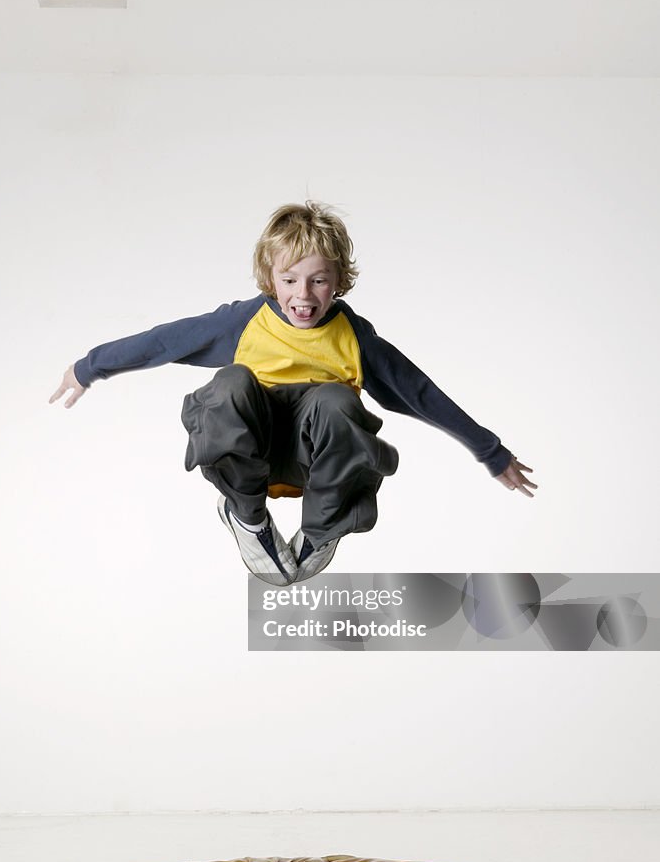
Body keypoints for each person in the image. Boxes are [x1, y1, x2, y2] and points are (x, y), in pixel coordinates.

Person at [50, 201, 536, 586]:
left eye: (318, 280)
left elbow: (419, 392)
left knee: (335, 399)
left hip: (316, 465)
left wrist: (489, 451)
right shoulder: (245, 321)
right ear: (270, 280)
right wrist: (91, 365)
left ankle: (320, 531)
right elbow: (167, 339)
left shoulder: (354, 336)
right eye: (289, 280)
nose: (303, 295)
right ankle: (247, 518)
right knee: (232, 383)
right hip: (250, 453)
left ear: (338, 282)